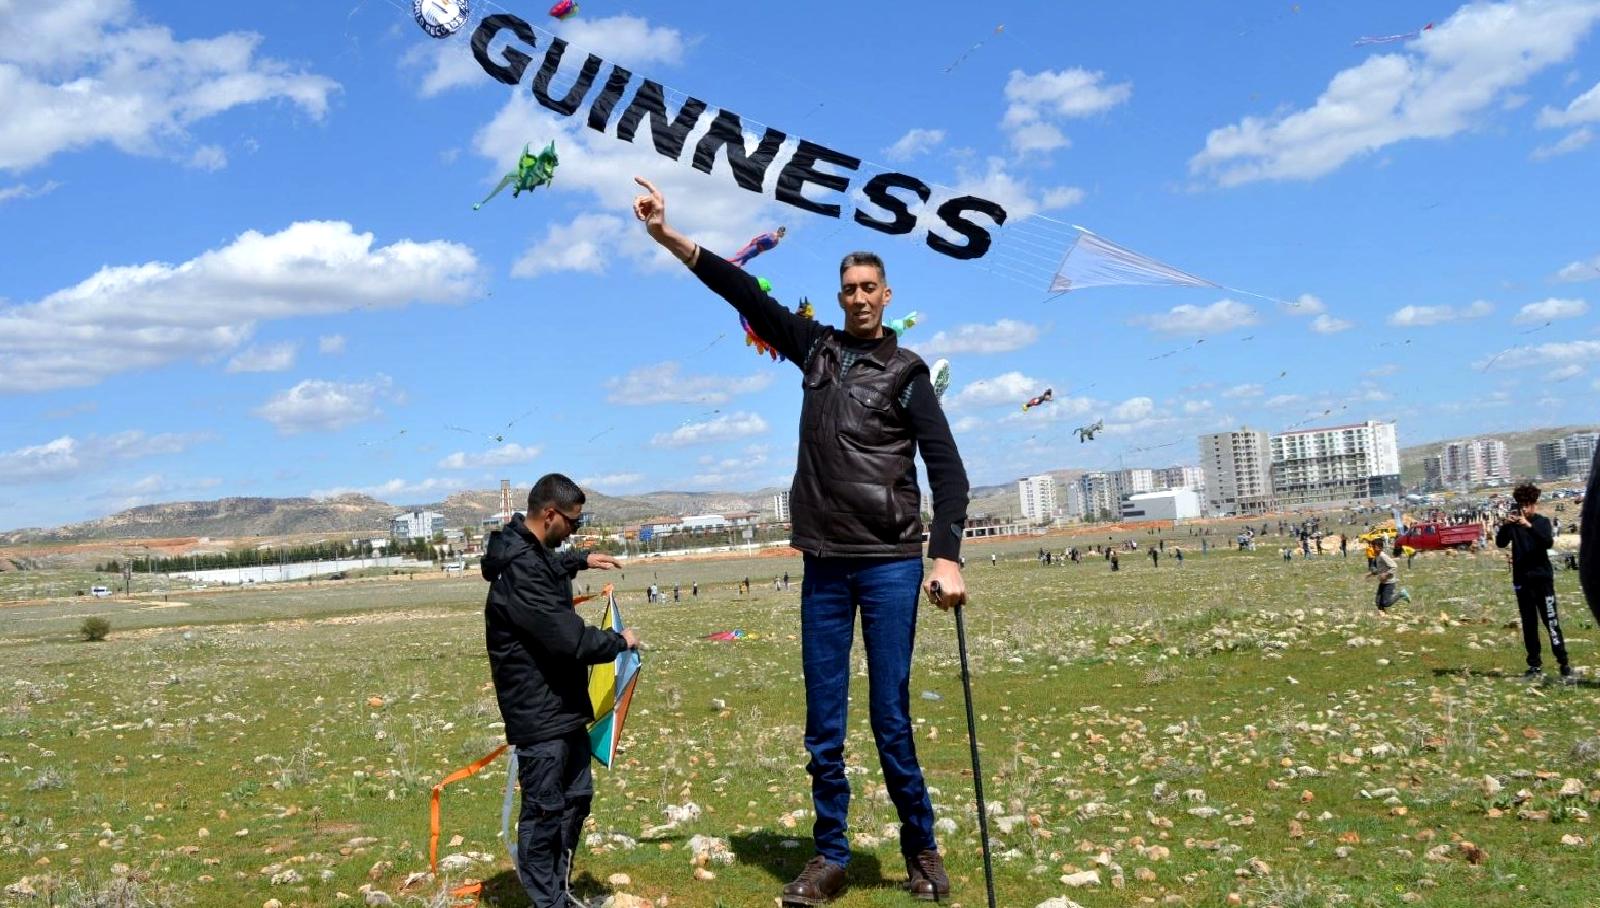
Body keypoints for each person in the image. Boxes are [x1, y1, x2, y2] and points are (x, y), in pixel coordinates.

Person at [635, 176, 968, 904]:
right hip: (824, 567)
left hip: (886, 565)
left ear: (886, 295)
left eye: (870, 286)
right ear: (840, 296)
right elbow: (743, 292)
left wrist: (945, 555)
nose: (858, 296)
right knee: (824, 728)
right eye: (849, 286)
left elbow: (949, 472)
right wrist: (669, 236)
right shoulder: (813, 349)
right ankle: (831, 858)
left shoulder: (909, 375)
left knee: (889, 719)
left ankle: (921, 850)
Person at [482, 474, 637, 908]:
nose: (576, 529)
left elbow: (548, 562)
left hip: (564, 706)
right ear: (549, 514)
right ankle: (547, 901)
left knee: (576, 799)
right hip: (538, 712)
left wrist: (582, 559)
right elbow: (570, 640)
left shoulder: (530, 552)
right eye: (573, 522)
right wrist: (620, 643)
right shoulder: (519, 572)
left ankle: (558, 889)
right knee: (545, 811)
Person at [1496, 483, 1572, 683]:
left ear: (1534, 505)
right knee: (1529, 624)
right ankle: (1534, 664)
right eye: (1521, 505)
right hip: (1522, 581)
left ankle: (1563, 661)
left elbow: (1547, 542)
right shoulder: (1513, 526)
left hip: (1542, 580)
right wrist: (1506, 524)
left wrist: (1528, 526)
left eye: (1527, 505)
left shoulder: (1542, 522)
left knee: (1551, 621)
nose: (1524, 509)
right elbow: (1500, 543)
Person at [1366, 542, 1411, 614]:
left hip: (1389, 582)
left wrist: (1386, 574)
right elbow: (1381, 569)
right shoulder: (1377, 556)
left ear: (1380, 548)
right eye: (1373, 546)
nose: (1373, 548)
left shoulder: (1383, 556)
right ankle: (1383, 615)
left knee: (1386, 603)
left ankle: (1401, 593)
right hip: (1383, 582)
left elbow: (1394, 566)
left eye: (1375, 547)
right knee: (1378, 602)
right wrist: (1371, 574)